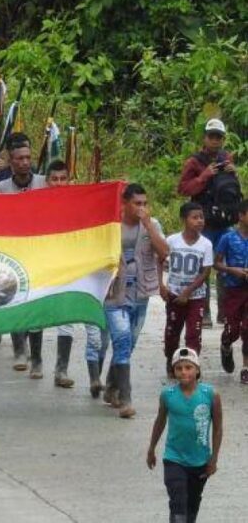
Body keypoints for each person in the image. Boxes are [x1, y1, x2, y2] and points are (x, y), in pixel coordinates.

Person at [98, 183, 169, 418]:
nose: (142, 207)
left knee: (129, 344)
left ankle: (111, 387)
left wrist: (148, 225)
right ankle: (126, 399)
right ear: (124, 203)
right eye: (137, 203)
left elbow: (165, 253)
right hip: (114, 293)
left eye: (144, 203)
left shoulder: (152, 225)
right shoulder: (110, 226)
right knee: (121, 339)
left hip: (140, 291)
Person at [146, 348, 222, 523]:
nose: (184, 372)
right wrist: (151, 448)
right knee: (178, 502)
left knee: (192, 505)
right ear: (173, 371)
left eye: (188, 367)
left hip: (200, 461)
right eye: (179, 368)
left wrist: (214, 459)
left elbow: (218, 428)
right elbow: (160, 421)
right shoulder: (167, 395)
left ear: (197, 370)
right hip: (174, 458)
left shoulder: (211, 395)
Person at [0, 138, 47, 375]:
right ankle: (19, 350)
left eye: (27, 158)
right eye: (19, 159)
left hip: (39, 253)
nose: (25, 162)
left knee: (36, 306)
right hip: (13, 254)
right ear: (11, 163)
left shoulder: (44, 183)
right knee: (16, 301)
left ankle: (37, 359)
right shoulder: (2, 188)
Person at [178, 118, 240, 327]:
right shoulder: (194, 162)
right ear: (205, 138)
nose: (215, 141)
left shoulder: (226, 158)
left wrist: (234, 173)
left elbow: (233, 190)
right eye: (211, 136)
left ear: (223, 139)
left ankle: (225, 311)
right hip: (202, 222)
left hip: (225, 220)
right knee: (203, 267)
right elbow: (183, 189)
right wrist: (204, 176)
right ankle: (203, 312)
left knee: (226, 266)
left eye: (219, 137)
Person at [160, 202, 213, 377]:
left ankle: (192, 366)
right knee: (172, 332)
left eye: (202, 217)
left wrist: (188, 292)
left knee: (194, 333)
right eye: (195, 217)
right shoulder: (172, 240)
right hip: (174, 295)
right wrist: (161, 285)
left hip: (195, 297)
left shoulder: (206, 244)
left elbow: (205, 272)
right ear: (184, 219)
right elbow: (159, 260)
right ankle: (171, 360)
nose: (199, 221)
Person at [44, 160, 78, 389]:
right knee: (35, 317)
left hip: (70, 269)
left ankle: (61, 369)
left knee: (67, 319)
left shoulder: (79, 204)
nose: (59, 183)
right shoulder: (38, 204)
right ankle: (33, 358)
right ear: (47, 182)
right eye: (54, 179)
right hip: (43, 269)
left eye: (63, 179)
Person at [215, 199, 248, 383]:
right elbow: (217, 263)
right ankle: (226, 346)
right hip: (233, 288)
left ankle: (246, 367)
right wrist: (231, 270)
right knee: (232, 328)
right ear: (241, 216)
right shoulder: (228, 238)